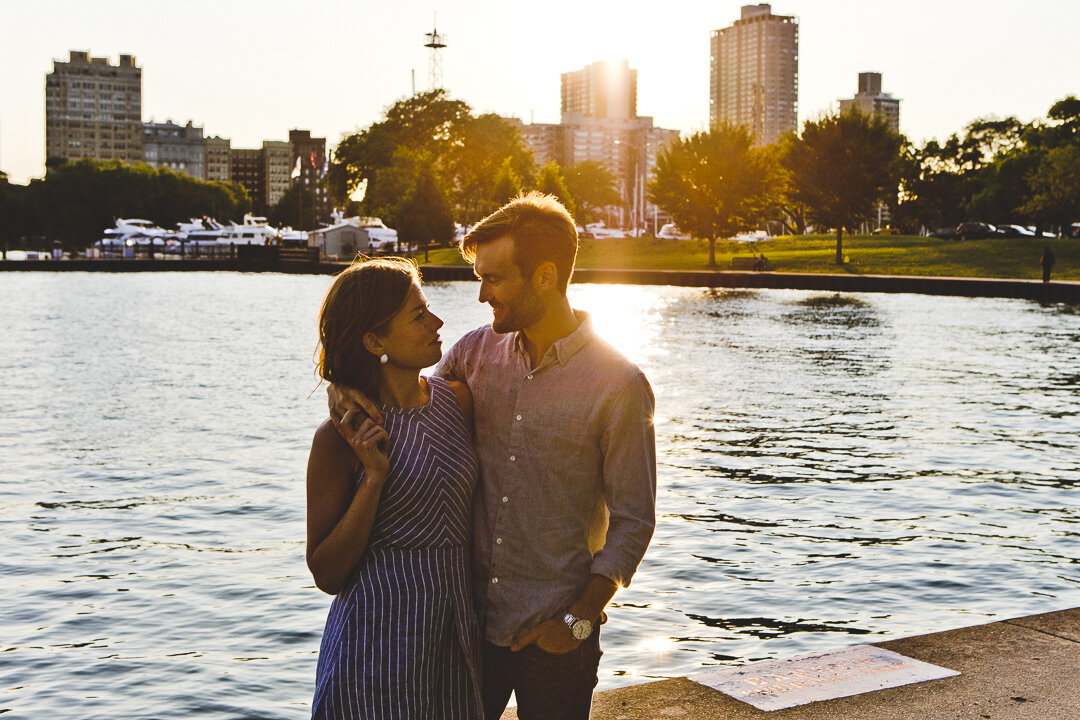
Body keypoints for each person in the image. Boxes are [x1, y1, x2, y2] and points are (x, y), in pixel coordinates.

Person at [330, 193, 657, 720]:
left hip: (555, 639)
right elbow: (408, 411)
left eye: (496, 279)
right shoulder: (470, 355)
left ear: (546, 277)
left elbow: (633, 523)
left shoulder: (619, 385)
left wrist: (576, 622)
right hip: (465, 633)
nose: (483, 295)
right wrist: (342, 385)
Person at [306, 257, 483, 719]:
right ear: (374, 340)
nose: (438, 322)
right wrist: (375, 480)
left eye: (428, 308)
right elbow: (326, 574)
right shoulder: (339, 438)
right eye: (418, 315)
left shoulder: (458, 400)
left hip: (453, 639)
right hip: (375, 648)